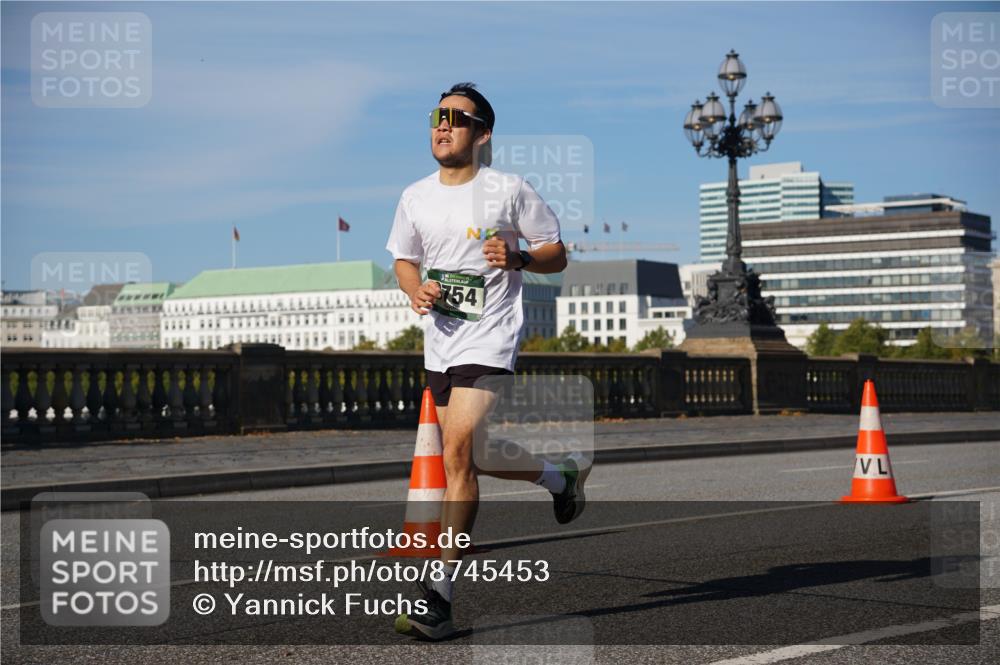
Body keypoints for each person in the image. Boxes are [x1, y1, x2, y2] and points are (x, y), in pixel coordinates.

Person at [385, 82, 588, 641]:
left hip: (491, 336)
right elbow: (404, 259)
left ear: (482, 133)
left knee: (457, 453)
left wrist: (520, 255)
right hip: (440, 340)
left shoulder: (509, 190)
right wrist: (414, 291)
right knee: (471, 454)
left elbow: (557, 252)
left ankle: (439, 600)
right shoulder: (415, 196)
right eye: (437, 115)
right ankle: (559, 478)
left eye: (456, 117)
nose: (442, 125)